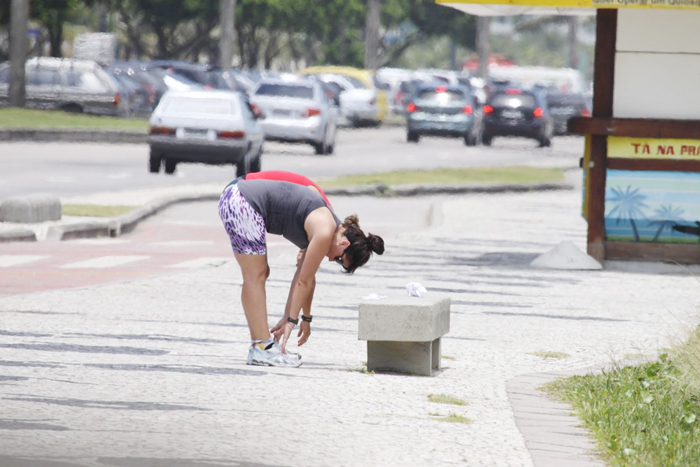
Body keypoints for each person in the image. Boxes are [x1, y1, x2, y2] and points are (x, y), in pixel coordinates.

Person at [218, 171, 385, 368]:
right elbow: (302, 281)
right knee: (256, 274)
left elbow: (306, 275)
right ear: (344, 242)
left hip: (238, 198)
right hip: (242, 200)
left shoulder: (327, 223)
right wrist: (291, 321)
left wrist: (303, 317)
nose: (331, 259)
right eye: (340, 259)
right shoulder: (324, 231)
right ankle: (262, 348)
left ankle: (260, 347)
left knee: (258, 273)